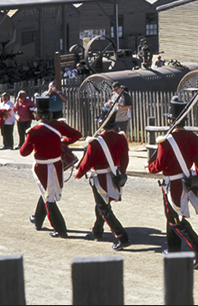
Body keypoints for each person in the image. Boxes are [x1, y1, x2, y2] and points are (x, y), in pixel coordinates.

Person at [147, 97, 198, 268]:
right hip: (188, 181)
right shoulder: (193, 138)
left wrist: (149, 168)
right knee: (171, 216)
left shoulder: (166, 141)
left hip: (173, 184)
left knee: (175, 219)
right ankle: (173, 250)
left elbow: (158, 165)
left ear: (170, 120)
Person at [20, 96, 82, 238]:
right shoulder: (58, 125)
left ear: (39, 114)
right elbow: (77, 135)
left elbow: (23, 152)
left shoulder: (34, 131)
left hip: (42, 168)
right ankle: (38, 220)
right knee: (46, 191)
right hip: (57, 164)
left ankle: (60, 229)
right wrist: (64, 142)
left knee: (49, 198)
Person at [75, 106, 131, 251]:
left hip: (100, 178)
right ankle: (97, 231)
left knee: (104, 208)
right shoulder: (120, 138)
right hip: (114, 175)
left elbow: (87, 163)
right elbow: (125, 159)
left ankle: (122, 236)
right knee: (101, 204)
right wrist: (121, 172)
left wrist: (78, 173)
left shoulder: (95, 142)